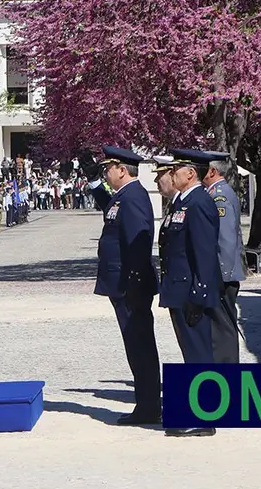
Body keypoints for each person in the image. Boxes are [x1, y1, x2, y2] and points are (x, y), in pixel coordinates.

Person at [82, 147, 161, 425]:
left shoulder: (134, 197)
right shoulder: (123, 196)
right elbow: (110, 210)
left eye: (108, 169)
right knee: (135, 344)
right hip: (124, 283)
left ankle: (149, 406)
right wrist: (94, 182)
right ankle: (147, 402)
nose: (106, 173)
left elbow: (138, 242)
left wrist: (136, 282)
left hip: (131, 285)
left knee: (140, 344)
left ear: (122, 170)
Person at [157, 150, 224, 438]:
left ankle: (205, 417)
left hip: (190, 290)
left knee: (199, 353)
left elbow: (205, 253)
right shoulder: (183, 202)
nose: (171, 174)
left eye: (177, 169)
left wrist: (200, 292)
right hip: (179, 287)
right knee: (190, 352)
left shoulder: (199, 202)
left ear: (191, 174)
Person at [202, 151, 245, 364]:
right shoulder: (214, 192)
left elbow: (225, 238)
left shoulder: (219, 195)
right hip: (220, 273)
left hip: (222, 275)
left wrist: (221, 275)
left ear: (212, 171)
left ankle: (227, 377)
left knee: (223, 329)